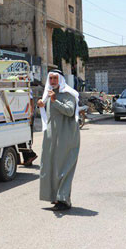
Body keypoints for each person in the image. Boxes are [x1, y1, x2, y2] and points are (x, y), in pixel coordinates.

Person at [36, 70, 80, 211]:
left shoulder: (68, 94)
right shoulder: (49, 94)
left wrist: (55, 100)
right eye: (51, 78)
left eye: (55, 78)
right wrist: (41, 105)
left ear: (60, 79)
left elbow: (70, 111)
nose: (53, 81)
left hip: (66, 137)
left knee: (64, 167)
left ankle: (64, 200)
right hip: (51, 136)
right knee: (50, 166)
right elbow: (49, 116)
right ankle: (55, 197)